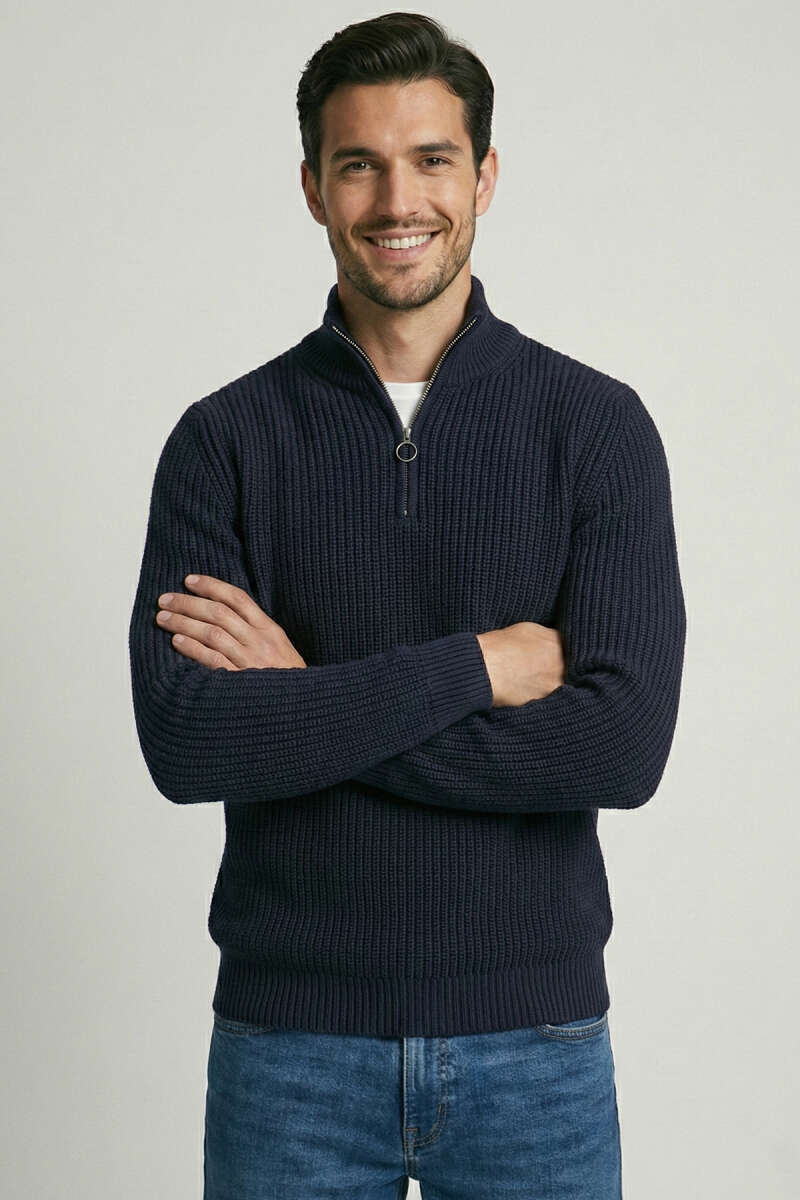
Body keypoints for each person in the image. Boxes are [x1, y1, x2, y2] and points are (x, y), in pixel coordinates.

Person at [128, 12, 686, 1199]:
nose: (397, 200)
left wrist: (302, 706)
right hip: (290, 1051)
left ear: (482, 175)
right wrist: (477, 668)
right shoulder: (223, 441)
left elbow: (621, 748)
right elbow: (187, 743)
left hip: (535, 1048)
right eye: (358, 164)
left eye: (431, 159)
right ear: (311, 188)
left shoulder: (594, 428)